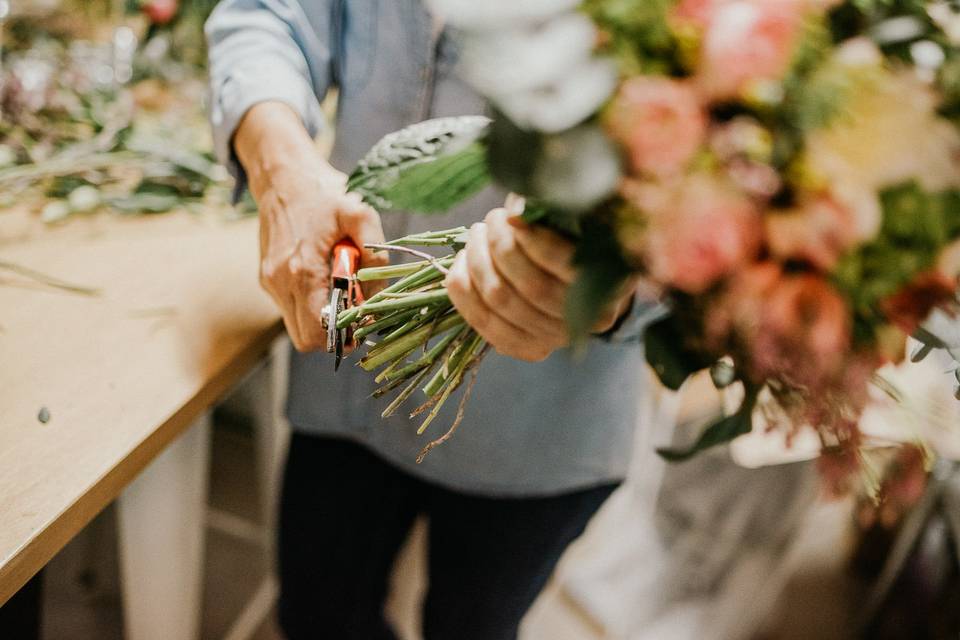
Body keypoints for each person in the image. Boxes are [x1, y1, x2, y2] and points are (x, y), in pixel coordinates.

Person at [206, 2, 657, 638]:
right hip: (346, 370)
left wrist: (615, 288)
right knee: (316, 615)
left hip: (539, 423)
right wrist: (279, 166)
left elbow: (729, 181)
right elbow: (265, 15)